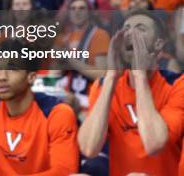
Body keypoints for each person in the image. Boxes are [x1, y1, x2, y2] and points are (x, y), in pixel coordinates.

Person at [78, 10, 184, 175]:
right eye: (126, 28)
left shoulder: (178, 85)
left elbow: (154, 144)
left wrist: (140, 76)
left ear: (158, 45)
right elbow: (89, 148)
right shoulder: (104, 85)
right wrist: (111, 76)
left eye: (140, 28)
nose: (130, 34)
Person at [0, 41, 79, 175]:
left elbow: (64, 172)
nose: (2, 77)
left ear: (31, 77)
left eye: (12, 69)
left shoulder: (58, 114)